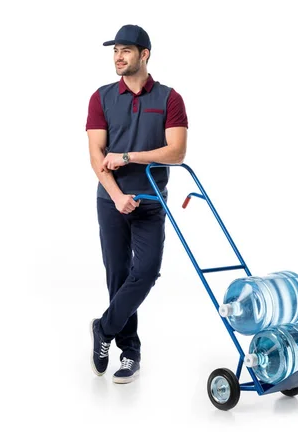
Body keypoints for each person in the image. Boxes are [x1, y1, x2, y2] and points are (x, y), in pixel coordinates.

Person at [85, 24, 188, 384]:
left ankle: (103, 328)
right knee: (117, 276)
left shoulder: (169, 99)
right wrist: (116, 196)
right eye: (115, 50)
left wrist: (129, 156)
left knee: (145, 272)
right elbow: (96, 154)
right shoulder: (101, 97)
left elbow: (176, 152)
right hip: (111, 200)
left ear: (144, 54)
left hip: (150, 201)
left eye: (126, 50)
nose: (118, 56)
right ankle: (130, 353)